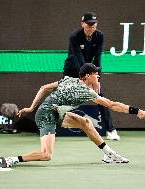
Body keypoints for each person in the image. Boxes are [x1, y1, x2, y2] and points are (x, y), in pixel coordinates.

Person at [0, 63, 145, 168]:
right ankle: (12, 159)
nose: (98, 76)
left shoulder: (68, 79)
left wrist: (31, 108)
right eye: (96, 74)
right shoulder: (85, 91)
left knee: (86, 123)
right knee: (46, 155)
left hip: (55, 112)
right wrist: (137, 111)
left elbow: (44, 87)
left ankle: (109, 154)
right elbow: (112, 105)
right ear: (87, 76)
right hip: (47, 115)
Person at [63, 12, 120, 140]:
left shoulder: (99, 36)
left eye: (94, 25)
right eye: (89, 25)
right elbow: (78, 59)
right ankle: (52, 128)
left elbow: (98, 58)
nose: (91, 28)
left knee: (100, 97)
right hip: (72, 70)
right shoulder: (74, 37)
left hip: (90, 70)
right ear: (82, 24)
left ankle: (111, 130)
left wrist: (96, 79)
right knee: (63, 98)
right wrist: (87, 79)